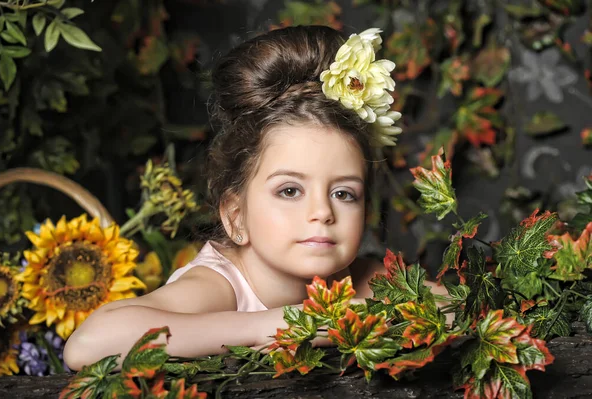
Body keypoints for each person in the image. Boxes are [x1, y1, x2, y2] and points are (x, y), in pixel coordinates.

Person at [63, 25, 446, 372]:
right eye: (290, 191)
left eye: (344, 193)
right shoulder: (220, 285)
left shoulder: (358, 278)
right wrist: (290, 323)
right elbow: (87, 345)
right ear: (236, 217)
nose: (322, 212)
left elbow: (455, 308)